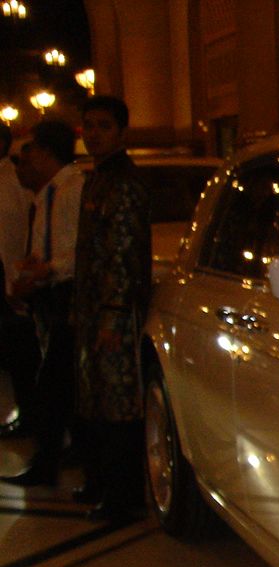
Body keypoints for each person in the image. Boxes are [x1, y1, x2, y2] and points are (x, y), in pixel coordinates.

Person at [71, 95, 151, 521]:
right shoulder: (97, 178)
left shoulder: (123, 183)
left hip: (113, 314)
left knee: (118, 404)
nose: (95, 134)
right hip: (92, 310)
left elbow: (122, 254)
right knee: (95, 401)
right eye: (89, 126)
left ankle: (124, 495)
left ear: (122, 132)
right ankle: (101, 481)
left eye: (104, 125)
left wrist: (113, 314)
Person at [2, 120, 83, 487]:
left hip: (66, 295)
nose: (25, 158)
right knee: (55, 382)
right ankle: (64, 453)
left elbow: (75, 251)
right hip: (47, 294)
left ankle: (49, 460)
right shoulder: (46, 193)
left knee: (52, 384)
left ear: (47, 152)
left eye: (30, 150)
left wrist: (45, 269)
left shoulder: (71, 190)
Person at [0, 125, 35, 437]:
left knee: (20, 357)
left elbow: (11, 238)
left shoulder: (10, 182)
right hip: (11, 280)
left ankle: (29, 417)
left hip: (11, 282)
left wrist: (13, 282)